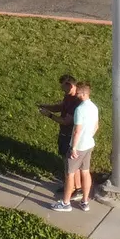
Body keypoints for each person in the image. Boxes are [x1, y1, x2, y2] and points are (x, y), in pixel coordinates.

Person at [52, 80, 99, 211]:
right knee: (85, 172)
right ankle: (85, 202)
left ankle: (66, 203)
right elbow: (96, 126)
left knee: (70, 174)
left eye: (78, 92)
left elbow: (77, 130)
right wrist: (88, 137)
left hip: (78, 147)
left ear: (83, 94)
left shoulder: (80, 109)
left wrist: (73, 147)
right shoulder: (94, 107)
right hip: (89, 144)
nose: (76, 94)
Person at [38, 75, 79, 203]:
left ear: (70, 86)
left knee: (72, 164)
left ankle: (77, 188)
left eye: (63, 88)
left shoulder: (77, 101)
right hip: (64, 134)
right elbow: (61, 107)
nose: (62, 90)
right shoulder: (68, 96)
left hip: (70, 135)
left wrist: (49, 115)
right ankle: (70, 185)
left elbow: (66, 121)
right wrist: (47, 106)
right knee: (66, 161)